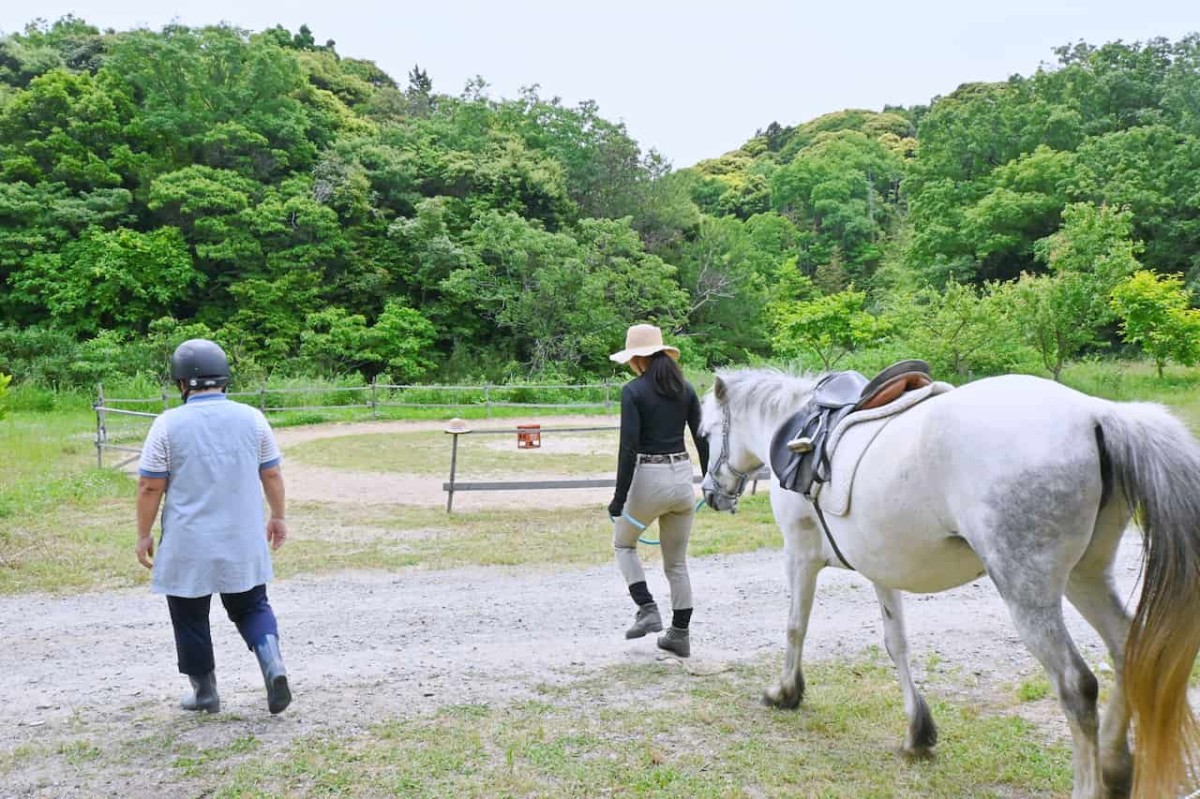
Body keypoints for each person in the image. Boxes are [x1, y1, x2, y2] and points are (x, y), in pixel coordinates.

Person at [135, 338, 292, 715]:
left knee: (189, 615)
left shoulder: (167, 425)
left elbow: (150, 484)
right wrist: (278, 515)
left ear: (181, 383)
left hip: (189, 541)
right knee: (252, 605)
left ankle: (204, 692)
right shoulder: (253, 418)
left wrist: (143, 534)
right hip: (242, 537)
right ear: (224, 378)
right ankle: (273, 665)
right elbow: (271, 473)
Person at [608, 323, 709, 658]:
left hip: (648, 479)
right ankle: (679, 635)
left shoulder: (633, 392)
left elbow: (629, 448)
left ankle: (647, 608)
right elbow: (702, 437)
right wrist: (707, 479)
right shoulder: (687, 388)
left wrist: (619, 499)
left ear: (638, 359)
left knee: (623, 544)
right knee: (677, 564)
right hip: (682, 479)